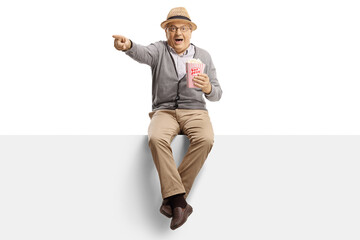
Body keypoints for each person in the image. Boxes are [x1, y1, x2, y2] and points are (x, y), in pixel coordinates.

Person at [113, 7, 222, 230]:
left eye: (183, 28)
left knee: (206, 139)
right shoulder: (159, 51)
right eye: (172, 28)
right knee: (155, 138)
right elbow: (141, 52)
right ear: (166, 33)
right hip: (164, 111)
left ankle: (171, 199)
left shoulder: (204, 56)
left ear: (191, 32)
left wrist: (208, 87)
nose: (177, 33)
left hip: (195, 111)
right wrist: (128, 46)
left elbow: (218, 94)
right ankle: (180, 202)